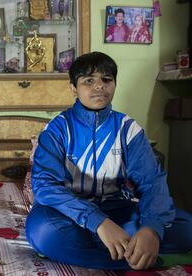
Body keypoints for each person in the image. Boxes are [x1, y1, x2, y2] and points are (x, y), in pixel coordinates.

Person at [25, 52, 192, 270]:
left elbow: (153, 183)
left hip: (119, 210)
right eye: (88, 80)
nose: (99, 87)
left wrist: (151, 229)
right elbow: (44, 186)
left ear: (114, 84)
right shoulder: (57, 130)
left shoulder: (128, 130)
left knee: (187, 229)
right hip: (70, 213)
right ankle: (143, 258)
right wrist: (99, 223)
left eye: (106, 79)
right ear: (74, 88)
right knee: (43, 232)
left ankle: (115, 247)